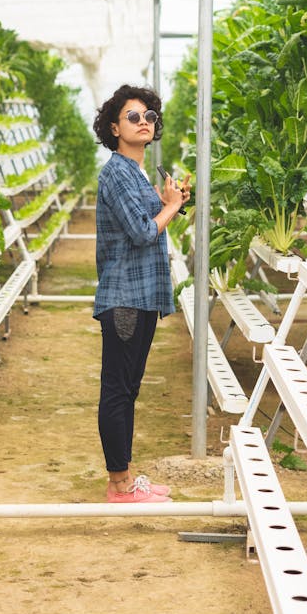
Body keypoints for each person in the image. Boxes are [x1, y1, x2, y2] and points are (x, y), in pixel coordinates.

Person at [92, 84, 190, 503]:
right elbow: (143, 231)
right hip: (126, 298)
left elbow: (153, 219)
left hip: (141, 295)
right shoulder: (116, 172)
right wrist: (170, 207)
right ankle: (120, 486)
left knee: (127, 387)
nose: (144, 122)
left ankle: (126, 479)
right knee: (118, 388)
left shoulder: (135, 173)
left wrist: (170, 201)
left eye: (149, 116)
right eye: (133, 116)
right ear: (114, 127)